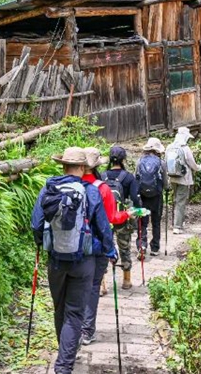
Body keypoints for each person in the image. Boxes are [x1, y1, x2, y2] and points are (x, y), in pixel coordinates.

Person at [30, 147, 116, 374]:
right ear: (82, 168)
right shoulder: (91, 191)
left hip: (56, 260)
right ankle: (64, 365)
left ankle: (65, 353)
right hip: (84, 260)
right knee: (75, 312)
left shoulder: (49, 188)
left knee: (60, 309)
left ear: (63, 165)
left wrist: (41, 243)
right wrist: (109, 251)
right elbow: (102, 226)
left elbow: (36, 224)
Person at [81, 147, 130, 345]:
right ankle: (87, 330)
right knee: (93, 287)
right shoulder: (102, 189)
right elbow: (110, 218)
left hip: (70, 246)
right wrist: (127, 214)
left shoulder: (65, 185)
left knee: (75, 288)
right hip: (97, 245)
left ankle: (70, 331)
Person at [102, 145, 142, 289]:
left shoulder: (102, 176)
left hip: (105, 218)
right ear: (124, 159)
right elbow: (135, 200)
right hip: (122, 217)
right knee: (124, 247)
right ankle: (126, 280)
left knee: (104, 247)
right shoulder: (128, 177)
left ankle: (102, 284)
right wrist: (138, 212)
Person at [165, 127, 201, 234]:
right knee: (180, 201)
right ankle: (177, 226)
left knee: (176, 199)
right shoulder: (185, 148)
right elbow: (191, 163)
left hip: (172, 177)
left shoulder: (169, 147)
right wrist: (199, 168)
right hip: (183, 178)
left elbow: (165, 161)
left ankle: (175, 223)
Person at [135, 137, 167, 255]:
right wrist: (166, 189)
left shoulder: (140, 161)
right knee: (156, 221)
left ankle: (142, 245)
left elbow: (136, 177)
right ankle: (155, 247)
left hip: (142, 195)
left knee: (142, 221)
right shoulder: (161, 162)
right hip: (157, 196)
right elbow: (165, 182)